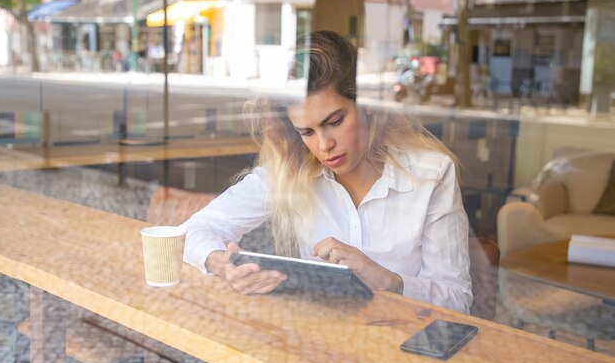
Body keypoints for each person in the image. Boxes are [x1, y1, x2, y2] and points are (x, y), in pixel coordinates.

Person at [180, 30, 472, 313]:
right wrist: (222, 264)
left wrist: (389, 281)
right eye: (307, 131)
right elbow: (190, 232)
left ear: (367, 105)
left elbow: (458, 300)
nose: (324, 145)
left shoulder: (430, 174)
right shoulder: (289, 173)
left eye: (334, 121)